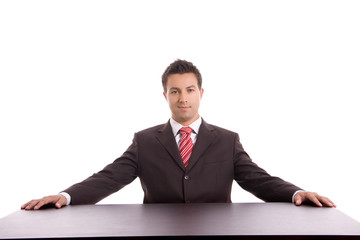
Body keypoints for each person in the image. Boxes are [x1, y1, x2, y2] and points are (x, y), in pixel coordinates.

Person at [21, 59, 336, 211]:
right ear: (165, 96)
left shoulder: (227, 141)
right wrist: (65, 196)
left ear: (201, 93)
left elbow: (258, 179)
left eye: (189, 90)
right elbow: (107, 178)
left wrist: (297, 193)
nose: (182, 98)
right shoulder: (144, 142)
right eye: (175, 91)